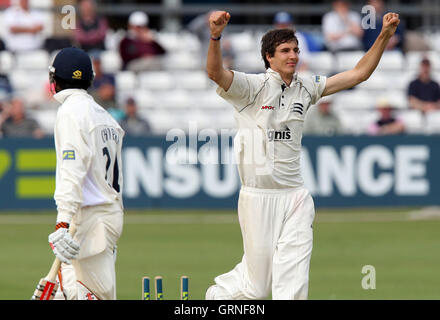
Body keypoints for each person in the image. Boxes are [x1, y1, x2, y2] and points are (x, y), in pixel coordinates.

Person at [205, 10, 399, 300]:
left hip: (295, 196)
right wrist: (216, 36)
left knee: (293, 286)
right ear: (269, 57)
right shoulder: (252, 87)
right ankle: (217, 298)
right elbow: (215, 73)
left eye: (295, 49)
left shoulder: (306, 87)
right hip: (258, 197)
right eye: (285, 50)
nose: (293, 55)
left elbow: (358, 74)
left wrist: (383, 35)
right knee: (255, 289)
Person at [47, 47, 124, 300]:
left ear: (54, 81)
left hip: (87, 218)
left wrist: (63, 221)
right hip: (109, 215)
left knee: (82, 294)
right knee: (85, 291)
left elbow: (72, 170)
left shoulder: (69, 112)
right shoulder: (106, 117)